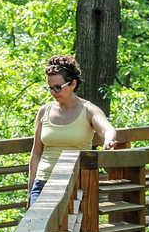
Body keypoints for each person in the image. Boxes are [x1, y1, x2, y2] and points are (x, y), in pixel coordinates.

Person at [28, 56, 117, 207]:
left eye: (58, 87)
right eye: (50, 87)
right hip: (43, 182)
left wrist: (108, 140)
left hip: (76, 182)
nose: (53, 92)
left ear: (73, 84)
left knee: (70, 229)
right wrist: (30, 190)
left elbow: (107, 129)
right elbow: (36, 152)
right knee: (35, 228)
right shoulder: (44, 111)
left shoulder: (88, 110)